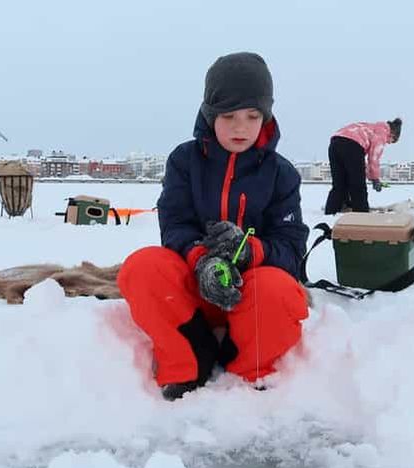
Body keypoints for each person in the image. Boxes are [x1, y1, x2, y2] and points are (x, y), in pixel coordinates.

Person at [118, 52, 310, 401]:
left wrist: (250, 251)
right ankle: (189, 360)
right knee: (142, 268)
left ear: (266, 117)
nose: (241, 127)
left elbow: (291, 248)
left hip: (251, 294)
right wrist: (201, 259)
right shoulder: (184, 161)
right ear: (210, 114)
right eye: (228, 115)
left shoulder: (282, 174)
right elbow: (174, 226)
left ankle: (246, 369)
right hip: (195, 290)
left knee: (280, 291)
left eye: (252, 116)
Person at [323, 118, 402, 215]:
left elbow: (360, 163)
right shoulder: (382, 132)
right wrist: (375, 179)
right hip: (352, 145)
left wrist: (370, 176)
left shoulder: (369, 127)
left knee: (339, 183)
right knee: (358, 184)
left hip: (335, 142)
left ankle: (332, 211)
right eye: (390, 141)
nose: (388, 143)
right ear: (392, 134)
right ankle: (361, 213)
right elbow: (374, 157)